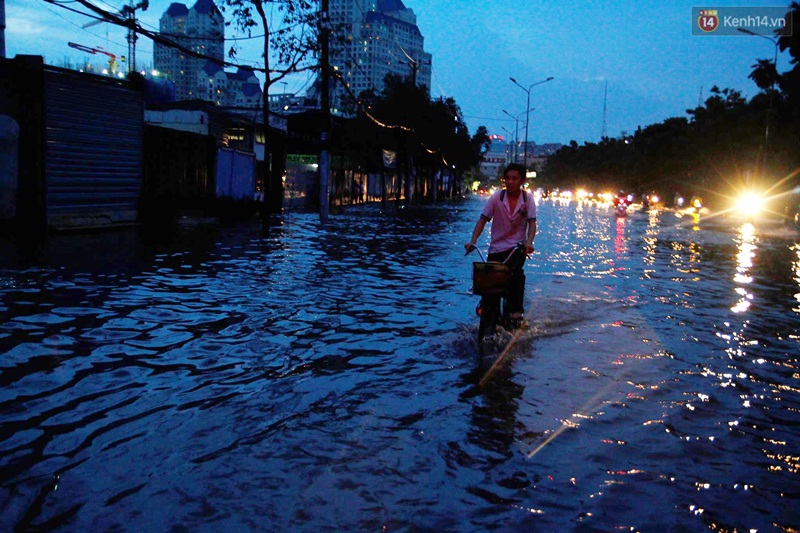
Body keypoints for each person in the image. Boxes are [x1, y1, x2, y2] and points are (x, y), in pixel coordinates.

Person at [464, 163, 537, 326]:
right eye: (508, 178)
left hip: (516, 249)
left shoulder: (527, 199)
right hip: (496, 249)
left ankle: (516, 312)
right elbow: (482, 220)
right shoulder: (496, 197)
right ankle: (488, 308)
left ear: (522, 181)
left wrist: (529, 242)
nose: (510, 182)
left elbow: (532, 224)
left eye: (514, 179)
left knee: (517, 276)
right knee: (489, 281)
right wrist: (473, 241)